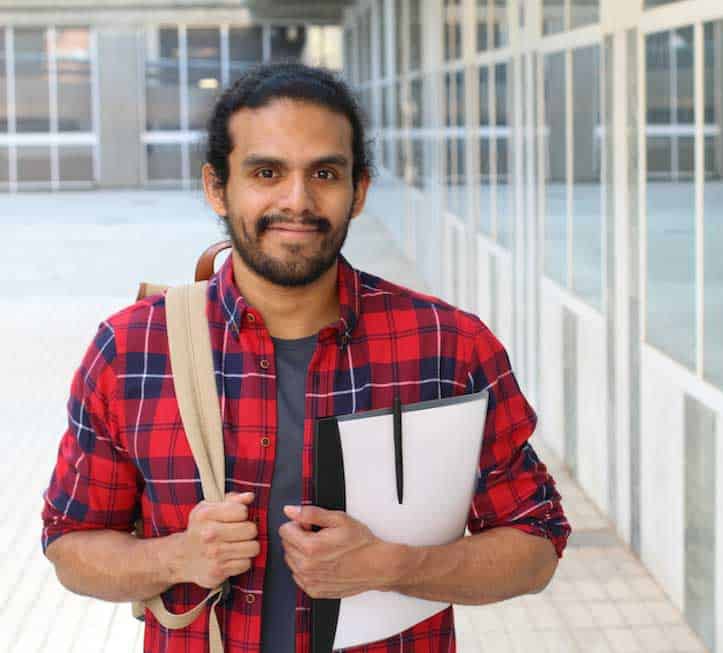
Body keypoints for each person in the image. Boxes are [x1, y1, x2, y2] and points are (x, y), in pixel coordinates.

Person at [41, 63, 570, 653]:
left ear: (359, 190)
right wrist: (178, 556)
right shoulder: (132, 350)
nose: (298, 200)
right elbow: (71, 547)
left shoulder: (449, 347)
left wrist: (393, 566)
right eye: (267, 172)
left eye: (324, 172)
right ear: (218, 187)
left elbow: (535, 546)